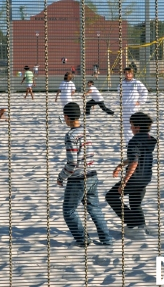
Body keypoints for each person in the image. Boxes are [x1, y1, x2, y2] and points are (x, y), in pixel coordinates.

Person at [58, 102, 113, 247]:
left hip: (79, 179)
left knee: (68, 211)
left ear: (66, 117)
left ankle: (83, 239)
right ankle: (106, 239)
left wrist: (61, 177)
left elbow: (72, 163)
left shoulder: (70, 135)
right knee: (94, 208)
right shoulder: (85, 131)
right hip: (92, 176)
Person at [105, 112, 156, 239]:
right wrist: (122, 165)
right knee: (135, 203)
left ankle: (133, 222)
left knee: (111, 196)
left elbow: (135, 161)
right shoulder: (149, 139)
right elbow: (138, 156)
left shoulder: (134, 141)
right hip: (146, 178)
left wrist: (124, 181)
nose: (130, 128)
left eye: (132, 125)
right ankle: (142, 226)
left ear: (138, 127)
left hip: (135, 177)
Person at [118, 67, 148, 144]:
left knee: (135, 125)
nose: (128, 75)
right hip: (125, 108)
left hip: (134, 108)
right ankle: (129, 143)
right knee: (127, 126)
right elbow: (119, 93)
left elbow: (144, 92)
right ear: (124, 74)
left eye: (130, 73)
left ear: (133, 74)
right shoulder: (121, 84)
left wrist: (140, 101)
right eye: (127, 73)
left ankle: (137, 141)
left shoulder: (137, 83)